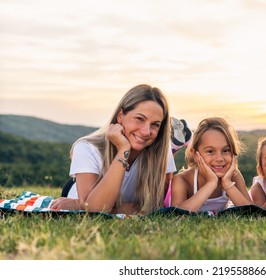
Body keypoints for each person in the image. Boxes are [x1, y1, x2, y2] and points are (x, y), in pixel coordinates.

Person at [50, 84, 175, 215]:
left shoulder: (161, 151)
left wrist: (82, 205)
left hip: (90, 200)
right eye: (140, 119)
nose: (146, 131)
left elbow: (162, 204)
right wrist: (123, 149)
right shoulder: (86, 147)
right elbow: (95, 210)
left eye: (155, 124)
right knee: (86, 201)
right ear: (120, 115)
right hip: (79, 189)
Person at [170, 117, 252, 213]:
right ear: (195, 154)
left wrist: (227, 184)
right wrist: (211, 183)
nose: (219, 158)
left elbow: (252, 212)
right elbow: (176, 214)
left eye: (225, 150)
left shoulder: (234, 176)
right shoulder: (182, 180)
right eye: (210, 151)